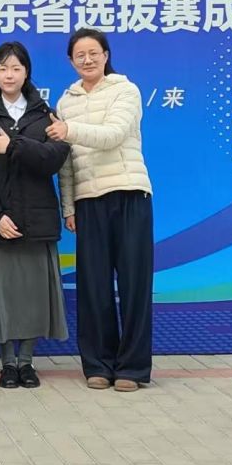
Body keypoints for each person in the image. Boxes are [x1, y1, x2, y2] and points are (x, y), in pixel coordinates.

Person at [48, 29, 155, 392]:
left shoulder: (126, 90)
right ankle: (97, 364)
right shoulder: (65, 102)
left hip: (129, 194)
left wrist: (68, 129)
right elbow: (66, 163)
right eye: (80, 55)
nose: (88, 60)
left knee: (134, 285)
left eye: (94, 52)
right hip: (88, 201)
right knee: (93, 287)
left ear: (106, 55)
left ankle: (133, 368)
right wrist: (68, 206)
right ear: (71, 61)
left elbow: (114, 134)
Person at [0, 41, 71, 390]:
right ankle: (8, 363)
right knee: (3, 298)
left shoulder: (44, 115)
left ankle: (27, 362)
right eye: (3, 68)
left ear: (27, 73)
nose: (9, 75)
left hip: (37, 222)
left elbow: (55, 158)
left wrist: (14, 146)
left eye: (16, 68)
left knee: (34, 297)